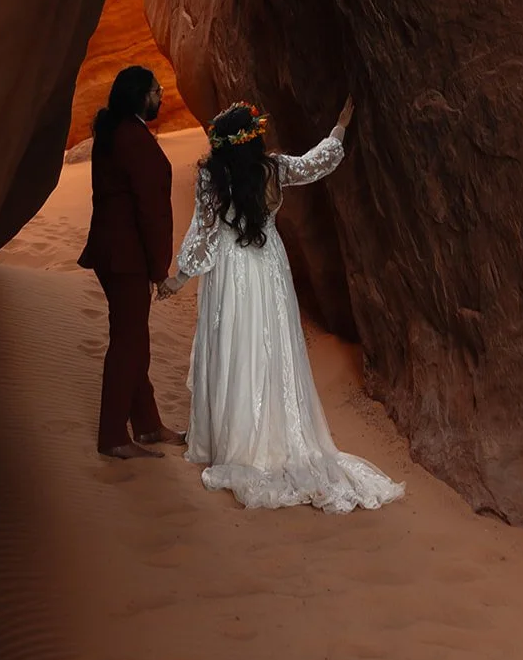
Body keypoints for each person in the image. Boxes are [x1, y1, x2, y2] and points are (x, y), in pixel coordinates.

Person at [158, 97, 404, 513]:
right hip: (268, 268)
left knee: (235, 348)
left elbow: (203, 233)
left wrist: (178, 278)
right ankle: (272, 436)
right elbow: (318, 161)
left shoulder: (212, 180)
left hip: (232, 274)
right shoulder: (274, 169)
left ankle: (234, 441)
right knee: (270, 351)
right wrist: (341, 126)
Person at [79, 66, 185, 459]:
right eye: (157, 90)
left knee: (130, 335)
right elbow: (149, 209)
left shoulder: (115, 134)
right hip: (127, 256)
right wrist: (159, 269)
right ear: (141, 95)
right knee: (130, 342)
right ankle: (112, 436)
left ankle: (147, 425)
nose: (162, 96)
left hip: (113, 252)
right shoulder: (131, 139)